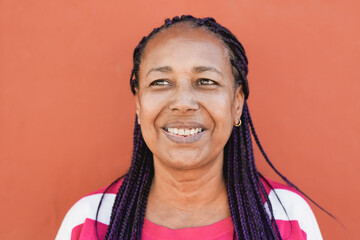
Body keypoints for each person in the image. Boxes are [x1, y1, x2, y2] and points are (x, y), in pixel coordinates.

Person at [55, 15, 324, 240]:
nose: (183, 103)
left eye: (206, 81)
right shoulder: (90, 220)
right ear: (138, 104)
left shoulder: (284, 216)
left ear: (237, 103)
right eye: (161, 82)